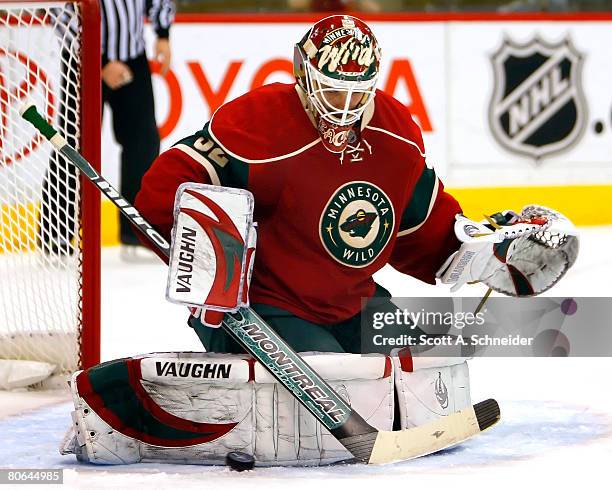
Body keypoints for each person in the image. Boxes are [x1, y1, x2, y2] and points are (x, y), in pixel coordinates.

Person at [135, 15, 461, 353]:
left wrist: (479, 253)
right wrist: (207, 271)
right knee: (335, 379)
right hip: (270, 307)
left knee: (423, 367)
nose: (345, 108)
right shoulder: (260, 122)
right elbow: (164, 194)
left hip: (354, 303)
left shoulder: (396, 134)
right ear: (304, 74)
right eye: (334, 92)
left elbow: (423, 227)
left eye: (357, 94)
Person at [39, 0, 174, 260]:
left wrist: (163, 33)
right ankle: (55, 232)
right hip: (81, 60)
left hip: (133, 56)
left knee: (143, 142)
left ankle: (136, 233)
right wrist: (99, 62)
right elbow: (61, 11)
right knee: (72, 143)